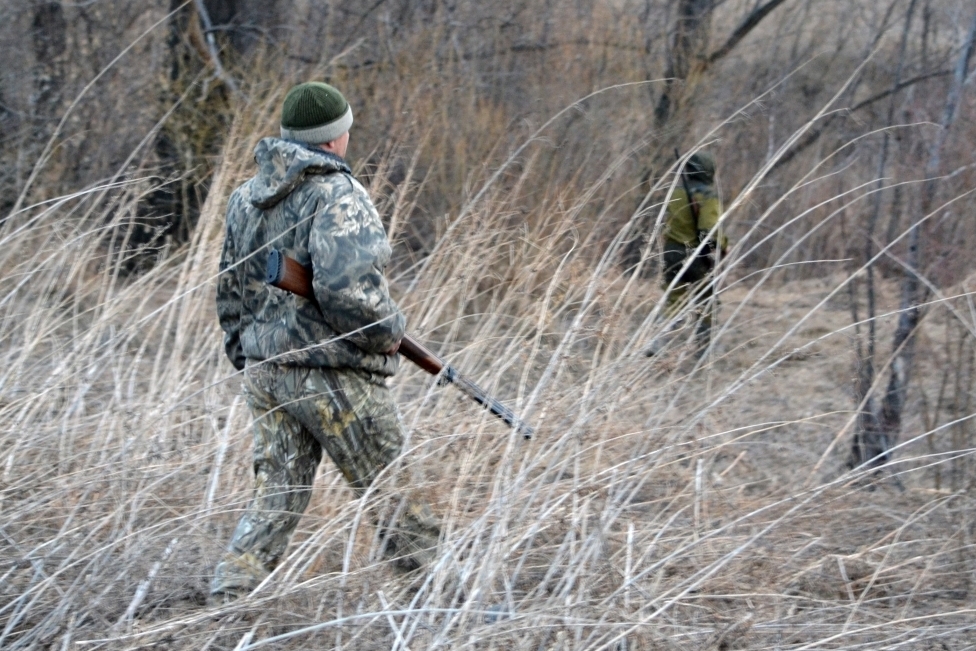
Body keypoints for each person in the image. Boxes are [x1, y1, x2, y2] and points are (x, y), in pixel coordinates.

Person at [212, 82, 440, 599]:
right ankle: (444, 602)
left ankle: (227, 598)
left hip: (265, 369)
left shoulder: (243, 199)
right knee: (394, 490)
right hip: (329, 375)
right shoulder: (337, 193)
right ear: (335, 137)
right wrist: (388, 336)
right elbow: (348, 291)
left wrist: (244, 352)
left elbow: (229, 286)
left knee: (277, 494)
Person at [645, 151, 727, 357]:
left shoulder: (674, 193)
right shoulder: (708, 196)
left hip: (671, 252)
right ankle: (703, 351)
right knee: (705, 301)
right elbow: (708, 230)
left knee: (674, 299)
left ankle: (657, 341)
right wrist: (722, 246)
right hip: (696, 255)